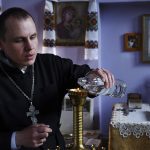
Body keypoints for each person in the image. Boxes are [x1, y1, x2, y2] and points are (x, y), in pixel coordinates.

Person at [0, 7, 115, 150]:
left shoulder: (51, 64)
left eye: (33, 37)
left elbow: (80, 74)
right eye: (19, 40)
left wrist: (94, 77)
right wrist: (16, 138)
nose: (30, 47)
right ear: (1, 43)